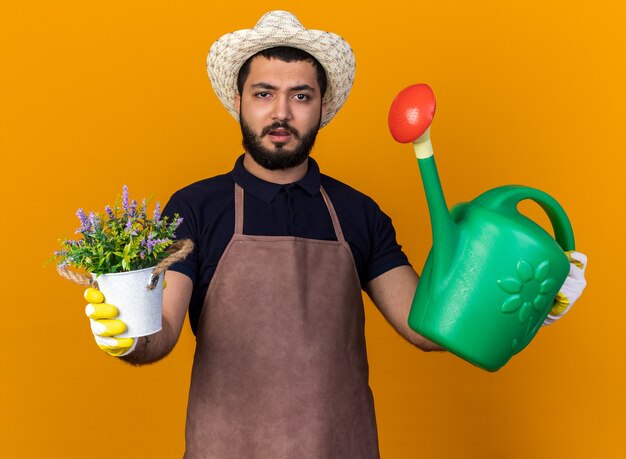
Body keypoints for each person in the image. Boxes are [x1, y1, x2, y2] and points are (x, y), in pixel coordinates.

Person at [84, 10, 588, 458]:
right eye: (264, 94)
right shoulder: (195, 208)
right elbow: (162, 333)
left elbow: (425, 327)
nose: (281, 113)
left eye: (300, 96)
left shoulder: (358, 212)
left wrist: (527, 300)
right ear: (239, 100)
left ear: (322, 105)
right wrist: (127, 336)